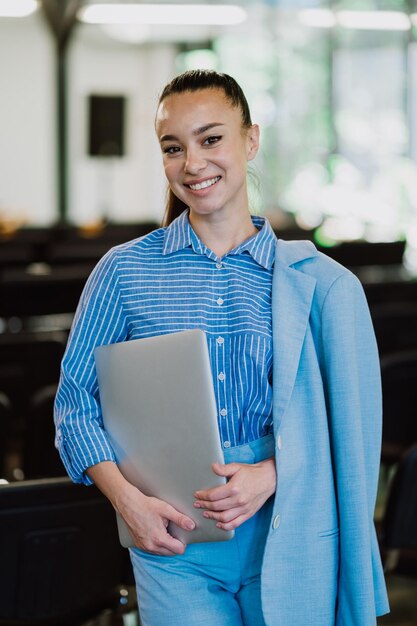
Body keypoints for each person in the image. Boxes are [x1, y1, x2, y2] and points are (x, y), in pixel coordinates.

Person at [54, 69, 389, 626]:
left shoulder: (319, 283)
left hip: (291, 527)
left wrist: (275, 471)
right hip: (171, 539)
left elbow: (351, 431)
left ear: (250, 140)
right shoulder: (124, 272)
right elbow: (74, 404)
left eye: (211, 139)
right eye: (172, 147)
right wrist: (127, 503)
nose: (193, 163)